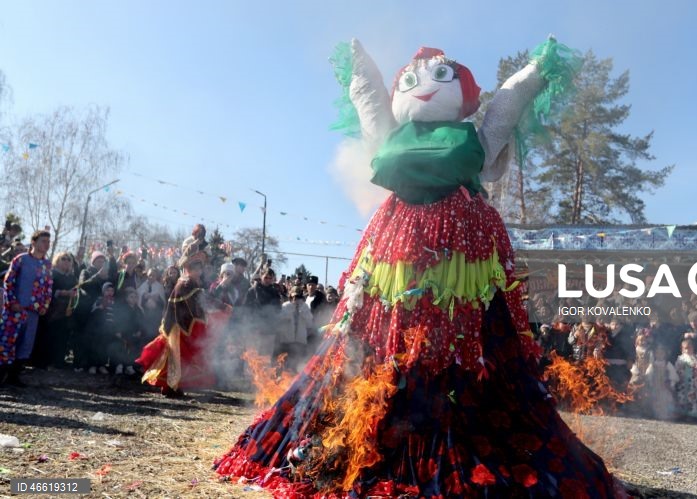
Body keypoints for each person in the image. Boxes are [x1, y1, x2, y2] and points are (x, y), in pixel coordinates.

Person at [216, 39, 620, 497]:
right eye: (411, 83)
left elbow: (506, 104)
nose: (425, 90)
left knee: (462, 334)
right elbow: (372, 102)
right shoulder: (410, 137)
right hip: (401, 252)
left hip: (457, 255)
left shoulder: (470, 136)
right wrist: (359, 68)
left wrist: (534, 73)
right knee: (386, 332)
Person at [136, 250, 215, 397]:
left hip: (182, 324)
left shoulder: (191, 283)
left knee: (178, 358)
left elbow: (199, 301)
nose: (198, 272)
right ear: (188, 269)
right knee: (175, 357)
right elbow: (193, 302)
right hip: (177, 326)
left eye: (199, 269)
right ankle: (170, 387)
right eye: (195, 269)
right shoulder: (185, 283)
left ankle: (172, 386)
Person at [0, 230, 53, 386]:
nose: (47, 245)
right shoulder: (20, 260)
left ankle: (14, 376)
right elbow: (8, 282)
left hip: (33, 312)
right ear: (34, 242)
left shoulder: (47, 265)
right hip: (15, 310)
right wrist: (12, 302)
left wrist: (45, 305)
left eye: (48, 242)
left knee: (25, 343)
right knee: (7, 341)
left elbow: (49, 287)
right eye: (44, 241)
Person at [31, 252, 78, 369]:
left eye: (69, 259)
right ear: (57, 260)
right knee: (47, 336)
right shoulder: (51, 274)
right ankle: (41, 362)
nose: (66, 261)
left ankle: (57, 362)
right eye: (64, 259)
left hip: (65, 312)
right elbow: (46, 290)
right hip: (50, 311)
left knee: (61, 337)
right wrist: (64, 293)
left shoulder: (72, 278)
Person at [275, 285, 314, 371]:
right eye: (294, 296)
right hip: (287, 341)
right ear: (290, 296)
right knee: (285, 365)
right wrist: (289, 314)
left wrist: (303, 313)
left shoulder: (305, 307)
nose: (295, 299)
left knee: (297, 365)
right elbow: (280, 320)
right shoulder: (285, 306)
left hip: (300, 342)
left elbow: (309, 324)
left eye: (298, 296)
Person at [675, 338, 697, 420]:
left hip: (693, 383)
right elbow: (676, 368)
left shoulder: (696, 358)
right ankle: (682, 413)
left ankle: (692, 414)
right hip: (683, 382)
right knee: (682, 397)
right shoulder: (680, 358)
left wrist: (696, 365)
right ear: (682, 349)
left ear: (693, 348)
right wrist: (680, 367)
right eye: (685, 348)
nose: (687, 350)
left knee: (692, 398)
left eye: (689, 348)